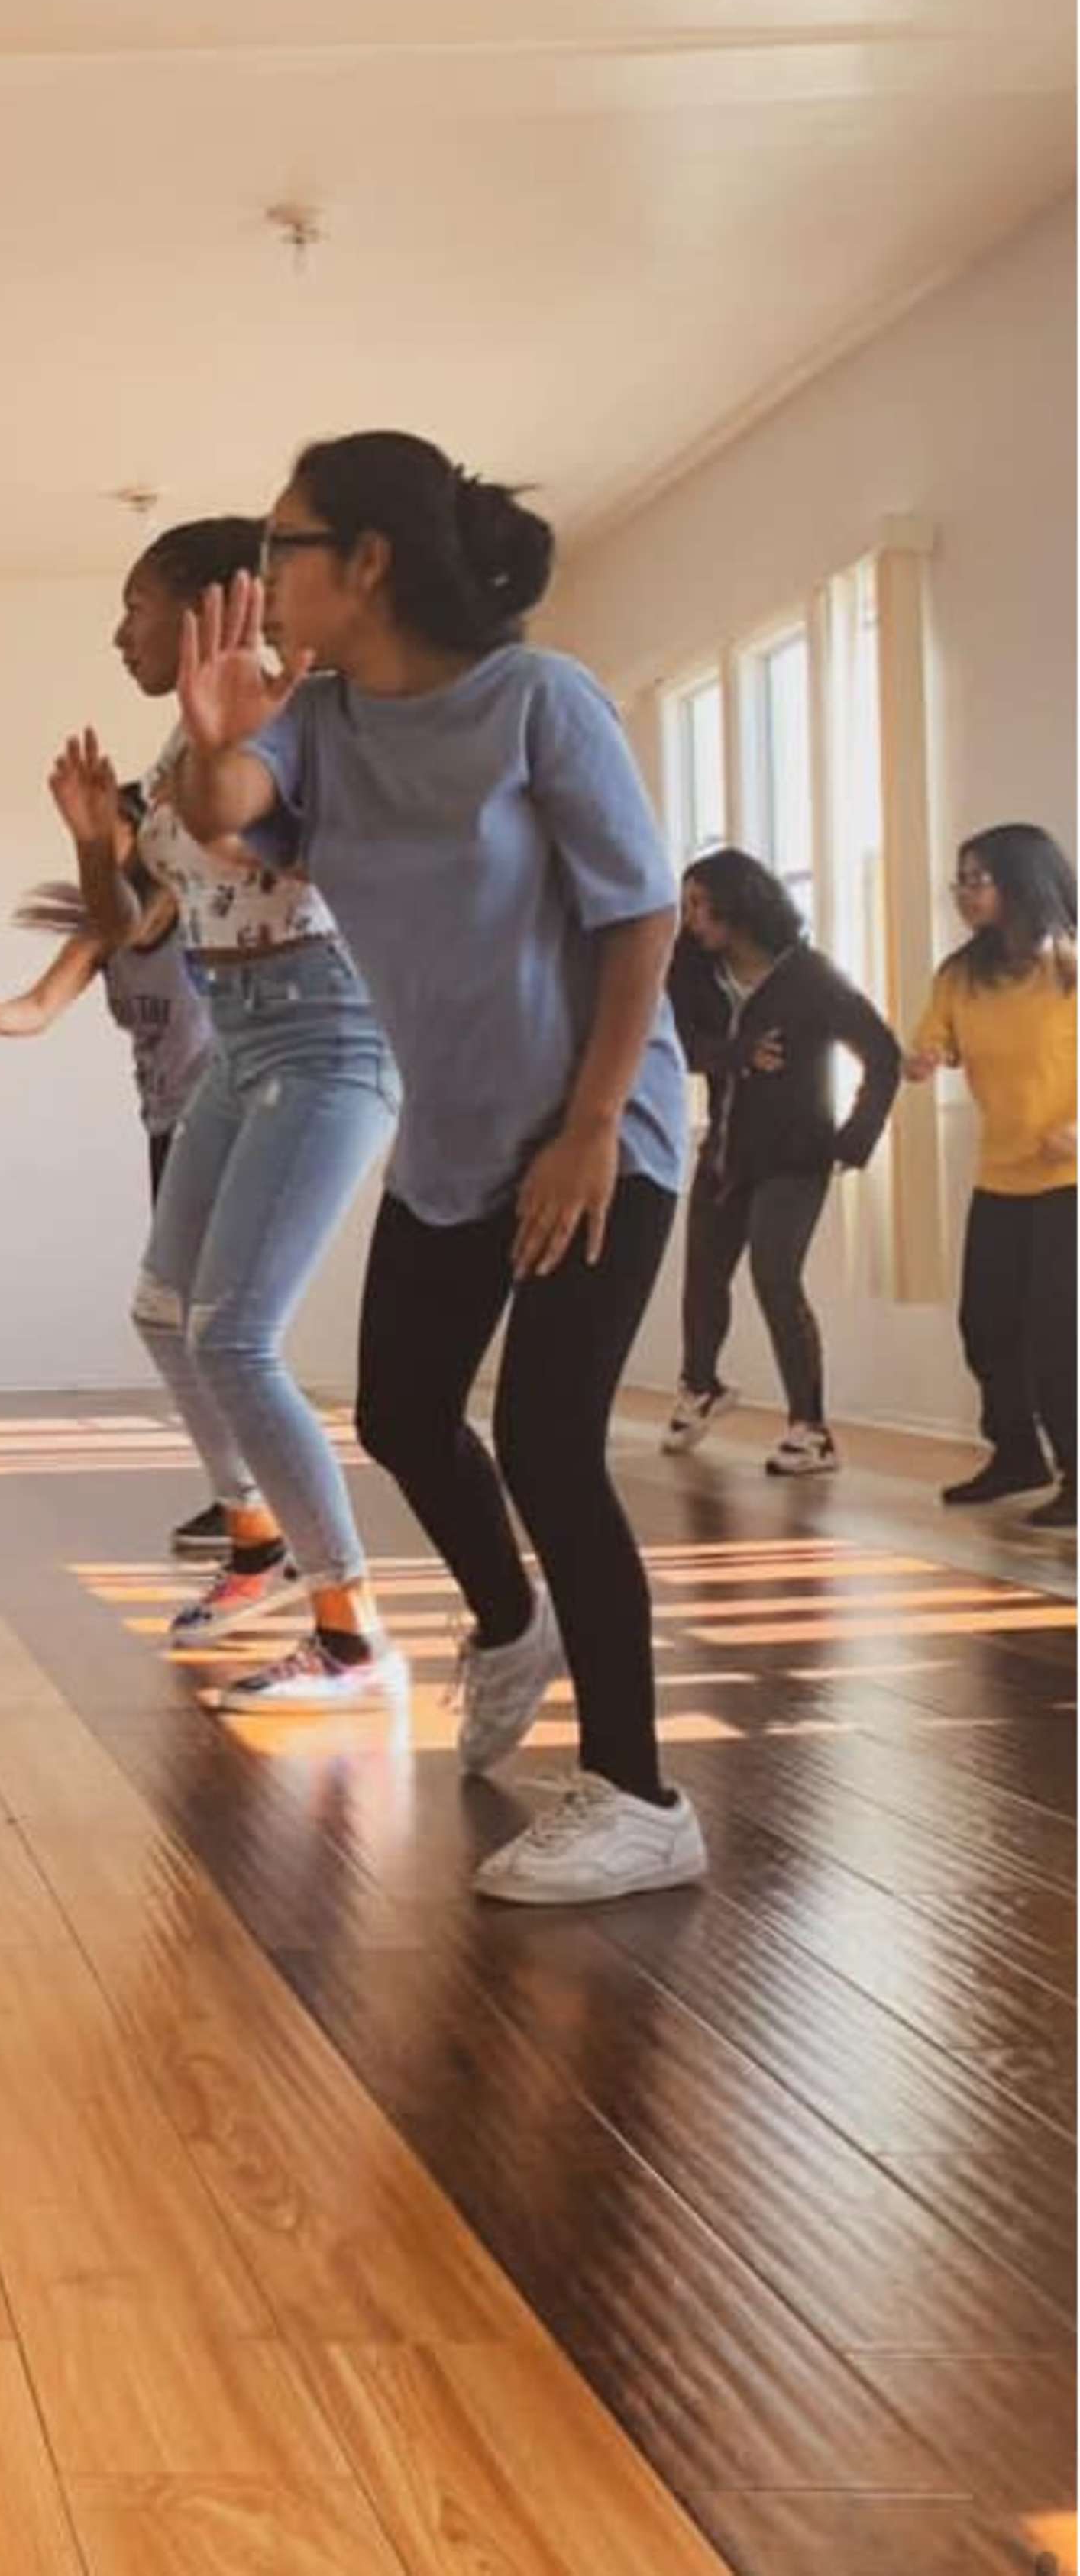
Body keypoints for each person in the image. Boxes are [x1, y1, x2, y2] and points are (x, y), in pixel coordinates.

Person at [173, 432, 700, 1904]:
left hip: (599, 1132)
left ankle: (642, 1795)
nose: (264, 573)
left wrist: (595, 1127)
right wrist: (218, 731)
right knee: (403, 1412)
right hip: (455, 1139)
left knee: (546, 1442)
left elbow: (641, 920)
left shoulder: (541, 700)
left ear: (370, 561)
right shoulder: (322, 721)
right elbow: (225, 822)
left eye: (285, 544)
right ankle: (508, 1621)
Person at [55, 518, 405, 1700]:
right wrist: (92, 839)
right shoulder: (178, 746)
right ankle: (255, 1541)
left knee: (236, 1335)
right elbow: (124, 924)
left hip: (329, 1031)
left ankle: (353, 1628)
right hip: (239, 1038)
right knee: (166, 1312)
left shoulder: (284, 711)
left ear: (214, 607)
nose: (119, 633)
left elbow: (240, 831)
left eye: (135, 605)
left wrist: (220, 747)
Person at [0, 799, 226, 1555]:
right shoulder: (100, 936)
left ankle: (255, 1505)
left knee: (213, 1320)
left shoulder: (201, 901)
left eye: (102, 835)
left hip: (226, 1122)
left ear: (146, 836)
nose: (90, 856)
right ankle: (237, 1497)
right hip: (166, 1129)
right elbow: (40, 1006)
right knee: (179, 1317)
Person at [662, 851, 901, 1474]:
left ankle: (811, 1431)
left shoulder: (813, 979)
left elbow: (883, 1053)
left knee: (775, 1275)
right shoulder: (691, 972)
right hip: (725, 1155)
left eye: (699, 904)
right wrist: (732, 1052)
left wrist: (856, 1137)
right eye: (685, 904)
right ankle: (702, 1387)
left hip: (796, 1158)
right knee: (702, 1277)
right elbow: (673, 1045)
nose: (689, 919)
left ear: (739, 905)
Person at [910, 822, 1076, 1528]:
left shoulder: (1070, 967)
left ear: (1022, 881)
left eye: (977, 879)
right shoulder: (960, 974)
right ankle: (1016, 1455)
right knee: (986, 1324)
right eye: (961, 880)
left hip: (1070, 1178)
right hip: (1000, 1177)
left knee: (1056, 1334)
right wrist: (922, 1059)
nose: (964, 893)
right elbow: (936, 1038)